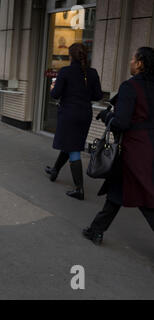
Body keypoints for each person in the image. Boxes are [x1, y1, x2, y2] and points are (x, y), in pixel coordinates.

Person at [83, 47, 154, 245]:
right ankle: (96, 229)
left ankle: (96, 230)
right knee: (118, 189)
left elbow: (121, 122)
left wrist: (107, 115)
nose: (130, 62)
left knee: (147, 199)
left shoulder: (130, 87)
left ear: (139, 63)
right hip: (148, 146)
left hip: (134, 149)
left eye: (133, 58)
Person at [45, 43, 103, 200]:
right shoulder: (92, 73)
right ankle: (55, 170)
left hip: (69, 115)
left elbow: (56, 94)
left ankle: (79, 189)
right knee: (71, 143)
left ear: (70, 56)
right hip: (85, 114)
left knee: (74, 148)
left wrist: (52, 88)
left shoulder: (65, 72)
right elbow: (98, 95)